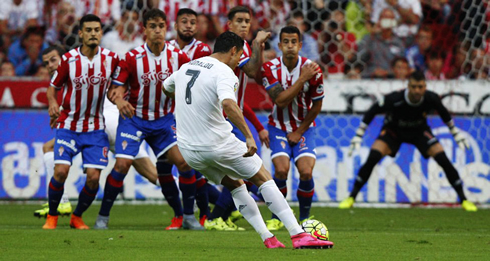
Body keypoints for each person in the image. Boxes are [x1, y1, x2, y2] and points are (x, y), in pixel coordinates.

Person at [163, 31, 334, 249]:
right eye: (240, 55)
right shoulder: (225, 72)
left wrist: (191, 106)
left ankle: (268, 237)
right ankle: (298, 234)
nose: (239, 61)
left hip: (189, 150)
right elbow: (229, 104)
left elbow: (167, 88)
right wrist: (248, 136)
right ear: (233, 51)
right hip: (217, 144)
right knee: (264, 179)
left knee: (236, 185)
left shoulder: (188, 66)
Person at [96, 8, 203, 230]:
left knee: (184, 162)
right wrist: (119, 102)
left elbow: (192, 88)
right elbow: (114, 90)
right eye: (152, 26)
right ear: (144, 30)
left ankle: (188, 217)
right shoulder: (132, 58)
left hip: (164, 121)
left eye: (161, 26)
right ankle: (102, 218)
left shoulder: (178, 57)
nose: (157, 31)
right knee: (123, 164)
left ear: (167, 28)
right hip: (134, 119)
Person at [340, 70, 478, 212]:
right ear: (408, 86)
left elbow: (445, 114)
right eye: (413, 87)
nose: (417, 90)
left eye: (420, 87)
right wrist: (358, 135)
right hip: (393, 131)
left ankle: (464, 200)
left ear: (425, 86)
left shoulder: (431, 98)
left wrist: (456, 134)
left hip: (419, 131)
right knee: (373, 156)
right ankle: (351, 198)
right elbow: (372, 111)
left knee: (443, 159)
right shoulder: (395, 99)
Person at [42, 14, 119, 229]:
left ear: (101, 33)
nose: (93, 33)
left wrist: (118, 95)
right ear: (81, 34)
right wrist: (52, 104)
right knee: (61, 171)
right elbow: (52, 87)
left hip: (95, 129)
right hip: (68, 126)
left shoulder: (111, 59)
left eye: (97, 30)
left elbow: (120, 83)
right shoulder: (68, 60)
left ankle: (77, 216)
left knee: (94, 179)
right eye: (89, 30)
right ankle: (52, 216)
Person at [203, 6, 271, 231]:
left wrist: (259, 127)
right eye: (239, 21)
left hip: (229, 117)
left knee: (239, 171)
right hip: (218, 120)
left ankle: (222, 215)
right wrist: (257, 45)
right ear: (229, 24)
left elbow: (239, 103)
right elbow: (253, 71)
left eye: (247, 21)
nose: (244, 25)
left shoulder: (235, 51)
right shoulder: (230, 51)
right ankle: (215, 216)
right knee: (246, 168)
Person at [261, 25, 324, 230]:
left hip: (304, 128)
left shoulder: (314, 70)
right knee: (281, 169)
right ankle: (277, 218)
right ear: (279, 45)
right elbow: (280, 100)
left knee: (305, 172)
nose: (289, 46)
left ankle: (305, 219)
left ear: (300, 45)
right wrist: (302, 79)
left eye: (293, 42)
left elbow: (317, 105)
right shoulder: (270, 68)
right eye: (285, 42)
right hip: (278, 126)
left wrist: (299, 131)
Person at [168, 7, 214, 224]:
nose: (188, 25)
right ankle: (180, 214)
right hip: (168, 115)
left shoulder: (203, 50)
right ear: (176, 25)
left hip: (194, 116)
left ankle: (203, 214)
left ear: (198, 27)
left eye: (192, 22)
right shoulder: (166, 48)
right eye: (184, 21)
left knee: (195, 167)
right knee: (165, 166)